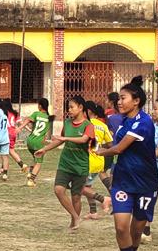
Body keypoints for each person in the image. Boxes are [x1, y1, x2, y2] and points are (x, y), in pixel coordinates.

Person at [95, 77, 158, 251]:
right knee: (121, 227)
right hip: (122, 180)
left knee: (136, 230)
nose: (119, 102)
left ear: (136, 101)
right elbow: (115, 144)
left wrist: (101, 151)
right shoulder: (123, 120)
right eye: (119, 98)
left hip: (145, 183)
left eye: (123, 98)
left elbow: (119, 149)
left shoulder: (144, 122)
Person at [33, 96, 97, 230]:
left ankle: (74, 223)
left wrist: (65, 137)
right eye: (68, 107)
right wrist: (44, 149)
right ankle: (75, 216)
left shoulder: (88, 125)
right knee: (58, 190)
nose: (69, 110)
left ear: (80, 108)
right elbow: (60, 141)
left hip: (80, 166)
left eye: (72, 107)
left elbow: (84, 139)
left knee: (76, 197)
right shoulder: (67, 123)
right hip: (65, 163)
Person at [83, 101, 113, 219]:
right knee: (87, 187)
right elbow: (110, 145)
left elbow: (87, 142)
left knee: (79, 187)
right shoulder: (102, 125)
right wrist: (98, 147)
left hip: (88, 161)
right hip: (99, 161)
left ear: (88, 111)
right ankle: (93, 212)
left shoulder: (86, 124)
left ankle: (104, 199)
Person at [19, 98, 52, 188]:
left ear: (40, 106)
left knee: (35, 157)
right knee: (39, 162)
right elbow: (45, 133)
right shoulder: (49, 118)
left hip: (30, 140)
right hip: (39, 142)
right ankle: (31, 180)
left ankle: (30, 173)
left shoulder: (36, 114)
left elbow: (27, 120)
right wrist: (44, 143)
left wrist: (20, 128)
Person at [2, 98, 26, 172]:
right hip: (13, 133)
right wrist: (29, 130)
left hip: (6, 133)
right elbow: (22, 123)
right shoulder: (15, 113)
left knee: (7, 152)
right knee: (10, 150)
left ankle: (21, 164)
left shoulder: (3, 113)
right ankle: (4, 169)